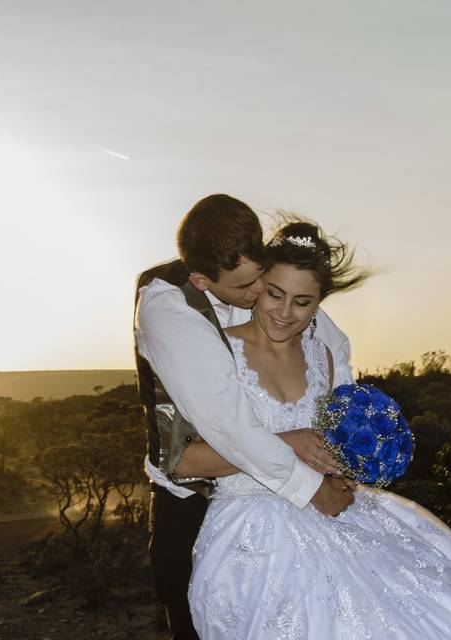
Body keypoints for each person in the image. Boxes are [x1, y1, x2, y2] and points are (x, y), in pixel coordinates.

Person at [183, 219, 451, 639]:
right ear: (258, 283)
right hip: (254, 535)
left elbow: (336, 452)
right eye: (275, 294)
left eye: (301, 302)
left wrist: (344, 473)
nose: (284, 313)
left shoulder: (323, 358)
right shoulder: (217, 349)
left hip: (335, 517)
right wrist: (289, 445)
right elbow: (187, 459)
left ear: (320, 303)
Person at [134, 195, 355, 640]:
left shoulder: (280, 295)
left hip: (309, 510)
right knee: (197, 616)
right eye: (250, 289)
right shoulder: (170, 309)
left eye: (263, 281)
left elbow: (337, 368)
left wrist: (347, 457)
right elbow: (226, 427)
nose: (260, 296)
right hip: (195, 500)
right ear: (201, 280)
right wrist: (307, 474)